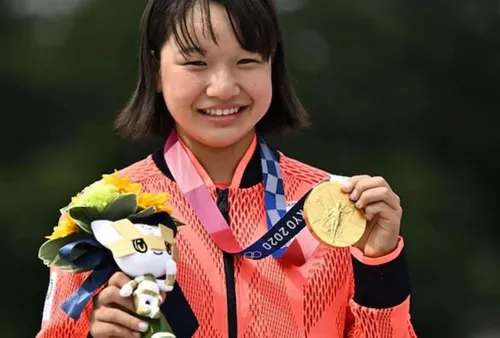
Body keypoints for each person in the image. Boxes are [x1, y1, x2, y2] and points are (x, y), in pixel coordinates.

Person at [36, 0, 417, 337]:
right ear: (155, 68)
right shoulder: (103, 212)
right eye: (196, 63)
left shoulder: (335, 205)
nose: (222, 87)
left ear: (273, 63)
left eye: (247, 61)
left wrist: (379, 266)